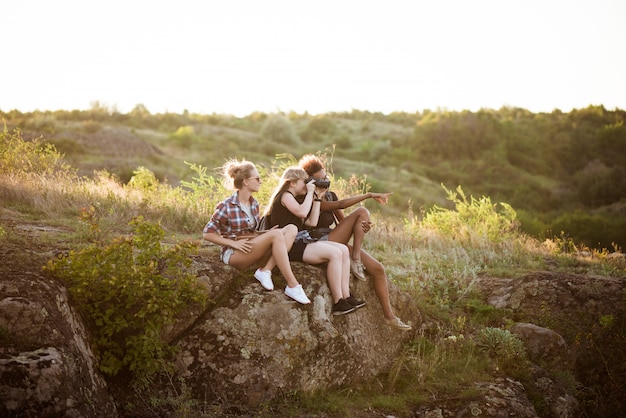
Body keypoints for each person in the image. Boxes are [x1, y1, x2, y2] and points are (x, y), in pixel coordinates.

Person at [299, 154, 412, 330]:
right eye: (320, 180)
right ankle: (356, 259)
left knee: (378, 269)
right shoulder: (309, 197)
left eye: (326, 177)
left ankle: (390, 317)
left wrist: (361, 227)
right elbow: (342, 205)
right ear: (310, 181)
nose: (325, 182)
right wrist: (368, 195)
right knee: (361, 210)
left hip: (334, 239)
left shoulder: (331, 195)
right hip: (317, 241)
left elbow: (345, 222)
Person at [202, 159, 310, 304]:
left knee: (291, 228)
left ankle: (265, 270)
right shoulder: (227, 206)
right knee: (277, 234)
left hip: (250, 247)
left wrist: (264, 234)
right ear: (246, 181)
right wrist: (233, 244)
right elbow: (207, 234)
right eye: (257, 179)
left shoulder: (254, 204)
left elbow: (250, 232)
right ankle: (293, 285)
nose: (260, 182)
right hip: (234, 254)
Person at [264, 166, 366, 316]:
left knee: (342, 249)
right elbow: (302, 212)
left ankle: (347, 297)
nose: (307, 185)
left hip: (301, 240)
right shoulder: (285, 195)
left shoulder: (296, 198)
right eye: (303, 182)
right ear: (292, 182)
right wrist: (310, 192)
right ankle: (338, 302)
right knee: (334, 254)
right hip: (289, 245)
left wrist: (317, 197)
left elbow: (311, 222)